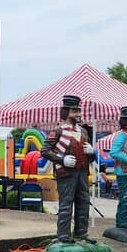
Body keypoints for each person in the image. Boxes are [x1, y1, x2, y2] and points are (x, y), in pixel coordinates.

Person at [41, 95, 96, 244]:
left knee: (84, 202)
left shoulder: (83, 132)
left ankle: (81, 232)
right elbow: (45, 151)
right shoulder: (58, 131)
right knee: (66, 204)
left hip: (82, 172)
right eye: (74, 110)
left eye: (78, 110)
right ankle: (63, 235)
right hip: (66, 173)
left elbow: (90, 157)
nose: (78, 114)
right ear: (65, 111)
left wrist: (92, 153)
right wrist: (62, 159)